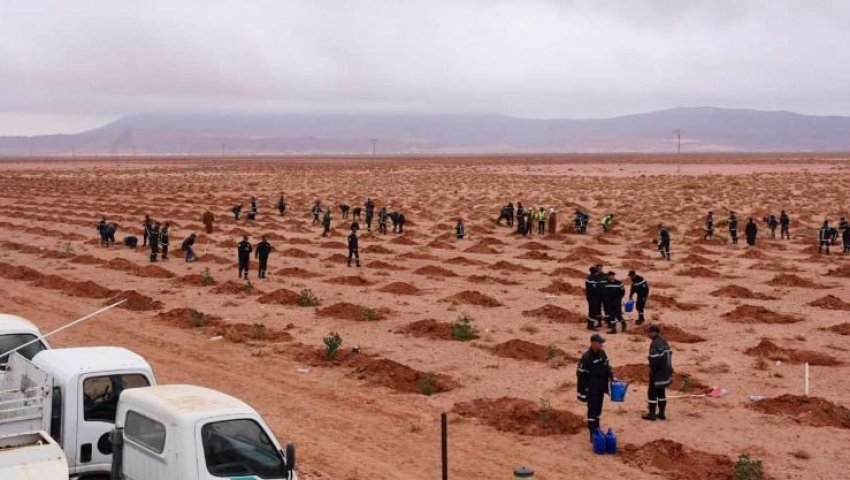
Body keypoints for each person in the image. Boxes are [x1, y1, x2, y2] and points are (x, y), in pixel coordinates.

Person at [577, 333, 614, 441]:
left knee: (598, 409)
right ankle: (592, 434)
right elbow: (581, 375)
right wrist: (584, 390)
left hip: (601, 385)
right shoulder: (586, 357)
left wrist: (611, 376)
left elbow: (607, 366)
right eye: (600, 343)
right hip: (592, 386)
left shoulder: (602, 353)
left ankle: (597, 429)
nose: (602, 345)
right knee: (592, 410)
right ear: (593, 343)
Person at [642, 325, 673, 421]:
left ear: (654, 333)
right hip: (666, 371)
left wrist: (652, 370)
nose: (648, 334)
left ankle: (651, 414)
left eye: (650, 332)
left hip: (657, 373)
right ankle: (661, 413)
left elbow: (654, 360)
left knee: (652, 393)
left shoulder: (655, 344)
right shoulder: (664, 341)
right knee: (661, 392)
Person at [585, 266, 605, 331]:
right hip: (592, 298)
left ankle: (590, 325)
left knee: (593, 311)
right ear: (594, 273)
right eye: (597, 272)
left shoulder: (592, 278)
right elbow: (593, 290)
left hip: (594, 297)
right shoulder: (591, 280)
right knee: (592, 312)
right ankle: (591, 326)